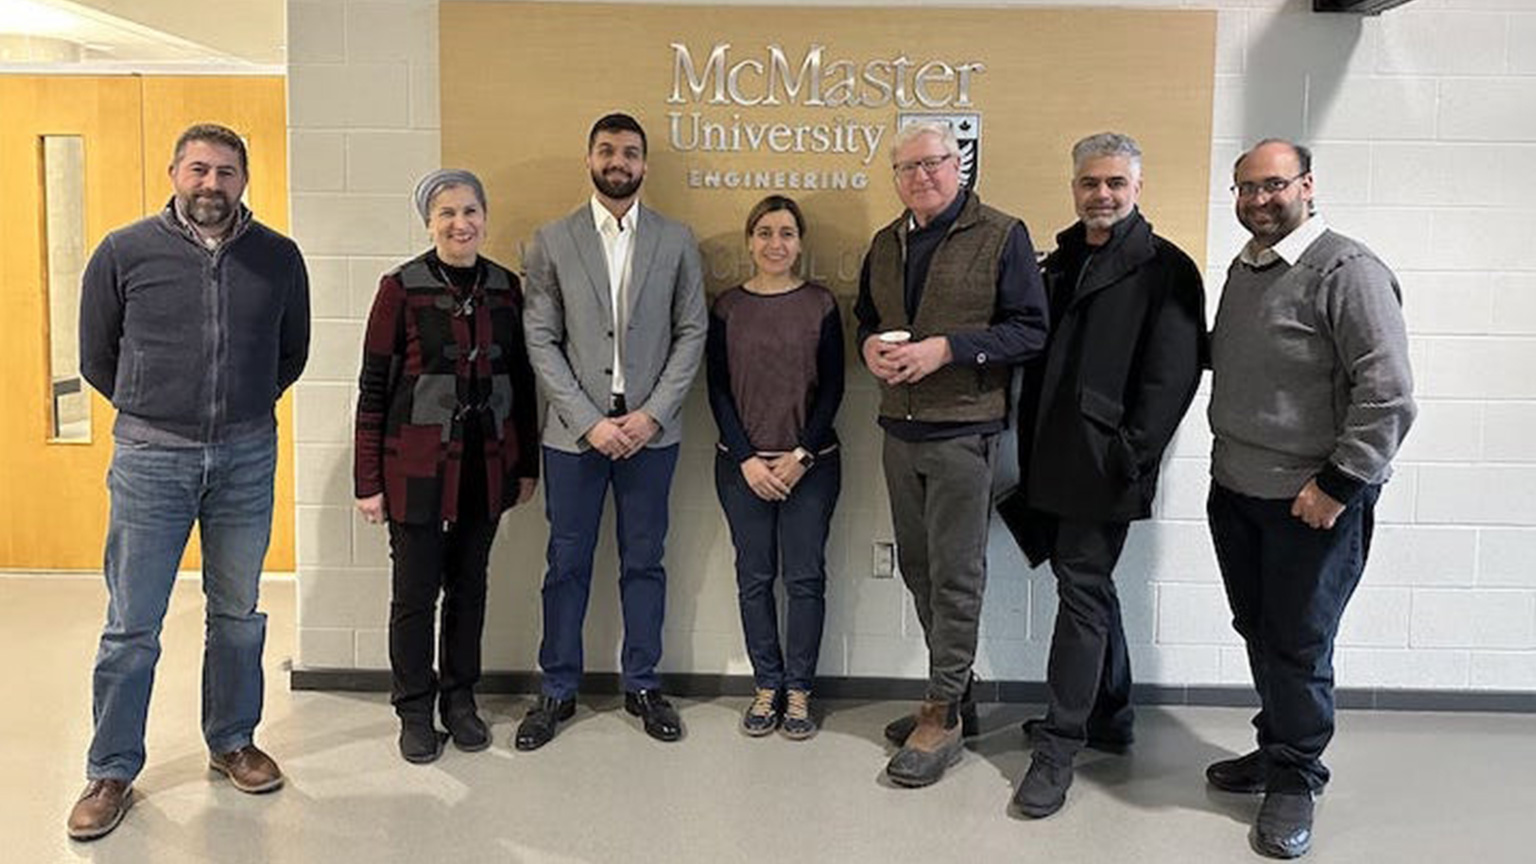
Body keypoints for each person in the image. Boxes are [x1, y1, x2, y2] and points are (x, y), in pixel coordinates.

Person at [69, 123, 310, 840]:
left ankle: (232, 740)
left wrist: (241, 409)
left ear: (245, 179)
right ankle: (111, 770)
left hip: (245, 456)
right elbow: (96, 354)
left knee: (238, 614)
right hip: (151, 458)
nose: (212, 184)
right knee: (131, 626)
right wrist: (155, 406)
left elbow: (291, 351)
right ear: (175, 172)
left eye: (227, 172)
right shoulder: (124, 251)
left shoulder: (278, 257)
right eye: (199, 169)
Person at [1206, 139, 1415, 859]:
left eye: (1272, 186)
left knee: (1298, 640)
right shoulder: (1248, 267)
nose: (1258, 201)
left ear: (1307, 185)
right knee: (1258, 627)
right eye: (1244, 189)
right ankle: (1277, 746)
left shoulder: (1348, 271)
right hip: (1236, 488)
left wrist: (1337, 485)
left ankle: (1297, 775)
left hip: (1310, 501)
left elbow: (1387, 397)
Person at [999, 132, 1206, 818]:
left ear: (1138, 188)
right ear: (1075, 188)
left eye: (1116, 182)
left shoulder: (1166, 268)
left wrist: (1126, 455)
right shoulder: (1057, 264)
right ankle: (1110, 715)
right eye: (1091, 183)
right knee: (1087, 587)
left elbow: (1171, 380)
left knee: (1081, 594)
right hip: (1050, 460)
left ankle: (1059, 748)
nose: (1103, 194)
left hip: (1104, 467)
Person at [854, 121, 1049, 787]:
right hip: (898, 431)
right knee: (919, 568)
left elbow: (1031, 330)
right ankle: (955, 688)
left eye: (933, 163)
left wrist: (949, 349)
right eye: (906, 168)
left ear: (957, 164)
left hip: (967, 433)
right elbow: (864, 318)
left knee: (957, 574)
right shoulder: (886, 243)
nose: (921, 177)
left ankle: (941, 711)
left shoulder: (1002, 233)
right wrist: (869, 349)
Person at [518, 112, 707, 749]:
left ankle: (644, 683)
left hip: (652, 433)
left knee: (645, 561)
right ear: (590, 158)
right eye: (607, 150)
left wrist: (651, 414)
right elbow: (540, 339)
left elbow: (692, 333)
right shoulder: (550, 239)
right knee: (565, 563)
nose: (618, 161)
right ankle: (557, 689)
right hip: (575, 437)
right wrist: (590, 421)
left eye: (629, 152)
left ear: (644, 165)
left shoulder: (677, 241)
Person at [353, 169, 540, 764]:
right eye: (447, 214)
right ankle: (414, 708)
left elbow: (525, 383)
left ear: (485, 216)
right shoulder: (400, 288)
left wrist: (526, 464)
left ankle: (460, 699)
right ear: (429, 223)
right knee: (414, 595)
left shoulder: (507, 288)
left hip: (486, 465)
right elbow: (373, 388)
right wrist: (368, 482)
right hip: (414, 468)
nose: (461, 224)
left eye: (470, 211)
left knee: (469, 589)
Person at [707, 195, 844, 740]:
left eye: (786, 233)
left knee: (805, 578)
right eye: (764, 233)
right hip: (742, 469)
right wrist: (746, 459)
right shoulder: (727, 307)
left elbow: (834, 386)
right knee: (754, 577)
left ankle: (800, 690)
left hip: (810, 465)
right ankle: (767, 685)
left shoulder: (821, 303)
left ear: (800, 243)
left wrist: (801, 455)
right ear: (749, 241)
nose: (775, 244)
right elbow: (716, 388)